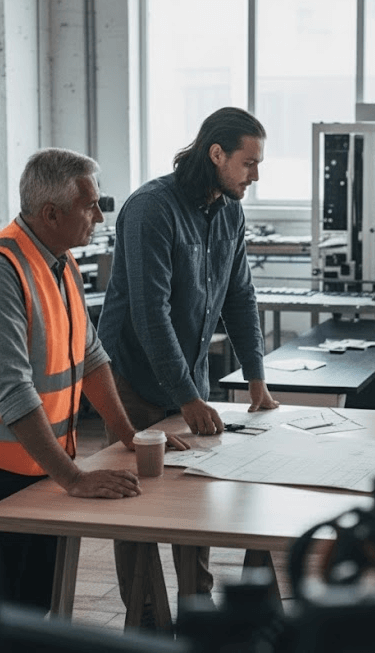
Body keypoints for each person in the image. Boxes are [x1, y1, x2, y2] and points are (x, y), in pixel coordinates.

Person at [0, 148, 142, 612]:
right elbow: (12, 389)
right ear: (51, 213)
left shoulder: (59, 263)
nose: (101, 217)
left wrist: (129, 435)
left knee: (39, 600)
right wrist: (74, 478)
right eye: (91, 205)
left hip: (39, 463)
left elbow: (90, 356)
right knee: (0, 611)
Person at [98, 106, 279, 615]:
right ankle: (146, 625)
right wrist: (189, 397)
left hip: (188, 374)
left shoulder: (229, 210)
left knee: (192, 501)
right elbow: (149, 313)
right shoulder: (151, 209)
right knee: (134, 504)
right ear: (216, 153)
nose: (256, 175)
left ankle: (198, 616)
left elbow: (240, 297)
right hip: (131, 378)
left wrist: (257, 380)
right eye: (249, 163)